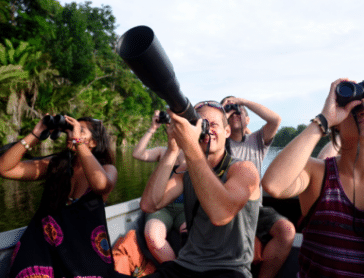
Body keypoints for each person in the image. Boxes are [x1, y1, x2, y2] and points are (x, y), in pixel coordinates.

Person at [262, 78, 364, 277]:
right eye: (355, 105)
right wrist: (324, 119)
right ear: (337, 125)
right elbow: (273, 184)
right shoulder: (317, 173)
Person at [140, 101, 260, 278]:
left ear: (227, 132)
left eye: (213, 125)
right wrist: (173, 149)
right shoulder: (186, 172)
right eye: (200, 125)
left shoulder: (244, 169)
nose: (207, 130)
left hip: (230, 269)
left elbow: (221, 214)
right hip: (185, 265)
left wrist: (190, 146)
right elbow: (149, 204)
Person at [0, 115, 125, 277]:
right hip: (42, 245)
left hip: (84, 250)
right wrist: (36, 134)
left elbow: (101, 185)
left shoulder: (107, 169)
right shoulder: (56, 164)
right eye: (71, 131)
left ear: (93, 142)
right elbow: (4, 169)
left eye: (81, 131)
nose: (72, 134)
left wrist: (78, 141)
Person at [221, 96, 296, 278]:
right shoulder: (219, 145)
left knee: (286, 231)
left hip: (256, 209)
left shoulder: (257, 141)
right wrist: (223, 112)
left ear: (248, 120)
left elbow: (275, 119)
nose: (236, 113)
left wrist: (242, 102)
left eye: (240, 112)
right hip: (228, 211)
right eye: (231, 112)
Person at [133, 110, 186, 263]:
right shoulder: (163, 152)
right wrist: (152, 128)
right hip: (161, 208)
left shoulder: (192, 153)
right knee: (152, 235)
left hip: (184, 208)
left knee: (189, 232)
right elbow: (138, 154)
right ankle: (174, 271)